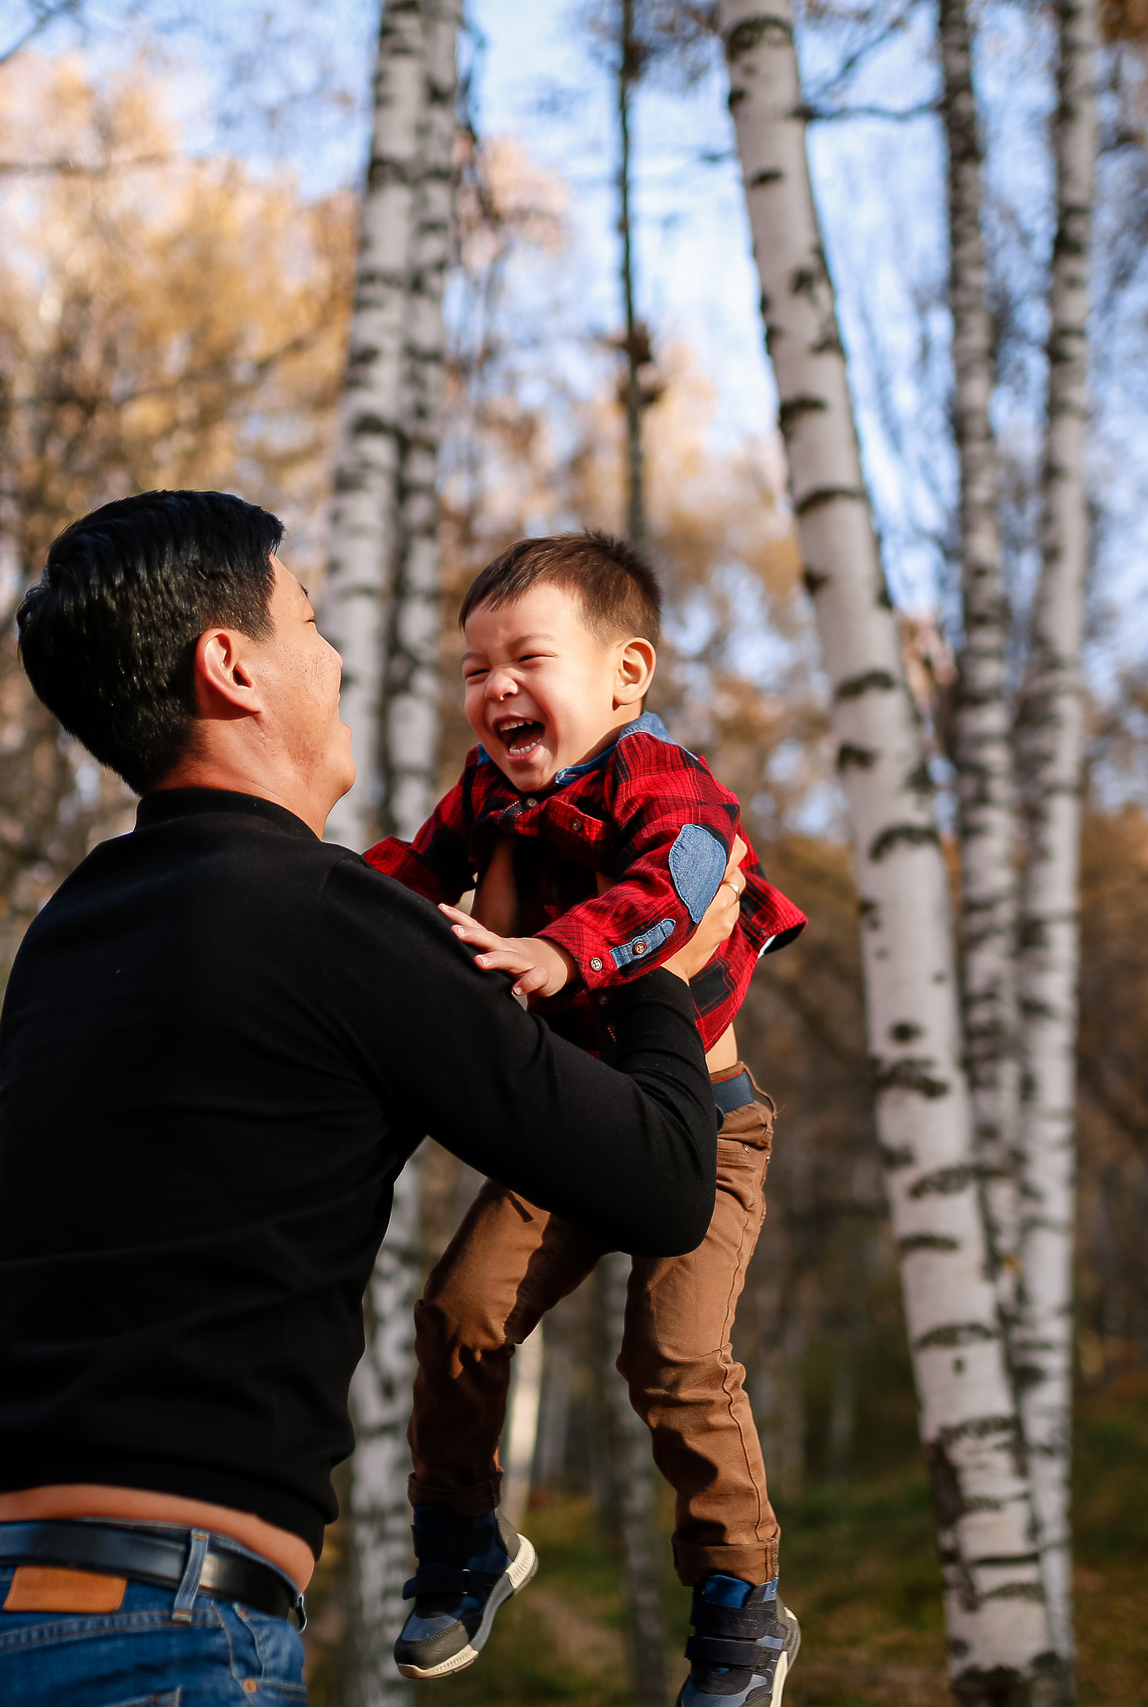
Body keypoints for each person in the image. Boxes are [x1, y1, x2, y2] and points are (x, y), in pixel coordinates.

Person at [0, 490, 749, 1707]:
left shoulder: (73, 922)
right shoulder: (339, 929)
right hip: (146, 1627)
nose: (335, 658)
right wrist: (663, 977)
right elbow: (668, 1185)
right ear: (233, 667)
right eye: (309, 623)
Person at [362, 532, 806, 1707]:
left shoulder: (670, 786)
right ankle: (463, 1540)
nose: (495, 689)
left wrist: (563, 953)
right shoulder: (486, 789)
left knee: (674, 1359)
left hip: (706, 1129)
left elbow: (675, 893)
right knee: (458, 1313)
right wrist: (340, 909)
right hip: (568, 1129)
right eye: (475, 669)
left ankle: (740, 1602)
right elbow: (417, 870)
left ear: (626, 674)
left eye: (528, 660)